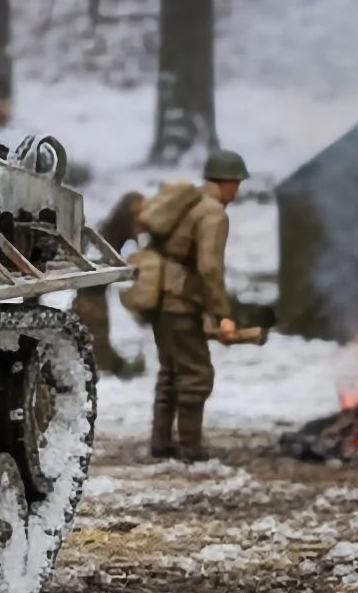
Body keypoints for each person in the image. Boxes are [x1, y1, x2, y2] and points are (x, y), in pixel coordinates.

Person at [123, 150, 246, 461]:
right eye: (237, 183)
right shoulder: (213, 214)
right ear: (228, 181)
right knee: (196, 374)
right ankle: (190, 447)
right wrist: (221, 312)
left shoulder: (190, 203)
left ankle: (161, 441)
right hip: (181, 301)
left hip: (160, 295)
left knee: (170, 373)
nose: (238, 190)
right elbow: (209, 267)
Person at [71, 189, 148, 380]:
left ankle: (112, 366)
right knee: (93, 329)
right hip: (91, 290)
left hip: (93, 290)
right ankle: (115, 367)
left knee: (91, 328)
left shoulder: (116, 230)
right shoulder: (110, 231)